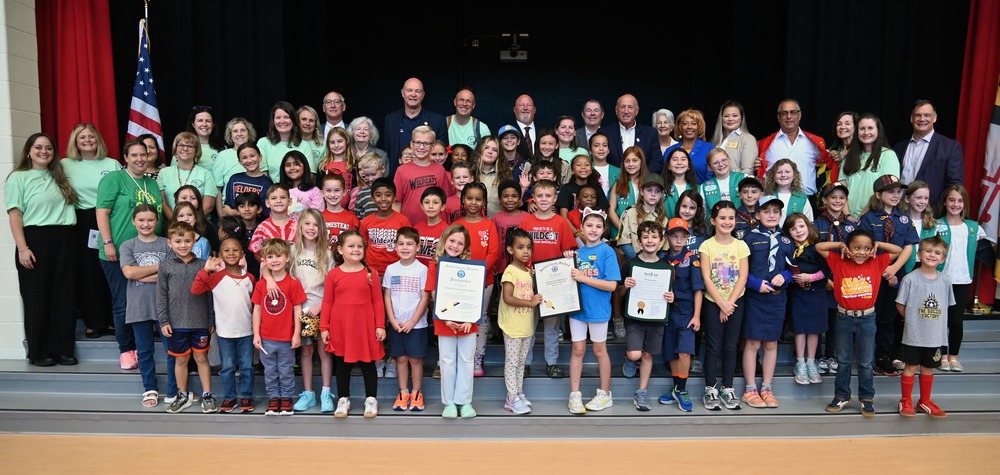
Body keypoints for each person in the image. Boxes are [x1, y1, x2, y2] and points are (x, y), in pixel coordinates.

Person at [7, 132, 80, 366]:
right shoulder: (18, 178)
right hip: (36, 239)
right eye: (38, 147)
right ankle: (39, 351)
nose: (44, 152)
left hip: (65, 238)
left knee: (64, 296)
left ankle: (63, 349)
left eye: (48, 148)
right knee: (38, 297)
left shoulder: (58, 176)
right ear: (29, 151)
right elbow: (15, 215)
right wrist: (22, 248)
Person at [816, 229, 902, 417]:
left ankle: (867, 397)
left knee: (865, 361)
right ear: (848, 248)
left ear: (872, 250)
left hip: (867, 318)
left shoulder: (877, 262)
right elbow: (819, 246)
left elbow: (898, 250)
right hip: (844, 318)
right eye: (856, 247)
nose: (861, 252)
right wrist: (840, 245)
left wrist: (879, 245)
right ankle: (841, 395)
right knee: (844, 361)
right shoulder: (838, 260)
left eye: (866, 248)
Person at [97, 140, 163, 369]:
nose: (140, 159)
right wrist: (108, 243)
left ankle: (143, 345)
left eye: (143, 154)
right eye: (134, 155)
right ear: (125, 157)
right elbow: (102, 212)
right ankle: (126, 349)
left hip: (149, 252)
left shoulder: (152, 184)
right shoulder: (113, 179)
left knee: (148, 299)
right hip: (118, 251)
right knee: (124, 302)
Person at [263, 209, 335, 413]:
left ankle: (326, 393)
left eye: (315, 224)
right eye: (307, 224)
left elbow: (332, 285)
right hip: (297, 309)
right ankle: (308, 393)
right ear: (300, 226)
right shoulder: (292, 250)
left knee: (324, 351)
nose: (311, 228)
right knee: (305, 351)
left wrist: (321, 306)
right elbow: (267, 265)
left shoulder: (327, 253)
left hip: (321, 307)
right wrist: (268, 279)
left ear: (321, 228)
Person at [318, 230, 386, 418]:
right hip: (341, 326)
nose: (356, 250)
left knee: (368, 363)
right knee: (342, 364)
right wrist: (324, 327)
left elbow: (377, 302)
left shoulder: (371, 273)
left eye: (359, 246)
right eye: (351, 246)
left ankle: (371, 399)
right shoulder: (333, 275)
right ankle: (343, 398)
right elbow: (328, 302)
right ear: (340, 249)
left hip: (364, 326)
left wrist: (379, 325)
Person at [61, 123, 118, 339]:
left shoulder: (111, 164)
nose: (87, 140)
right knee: (87, 272)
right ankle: (93, 322)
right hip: (82, 222)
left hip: (108, 219)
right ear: (75, 141)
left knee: (109, 270)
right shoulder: (65, 165)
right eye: (82, 137)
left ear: (98, 140)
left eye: (91, 136)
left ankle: (112, 320)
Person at [858, 175, 918, 376]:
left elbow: (908, 247)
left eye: (898, 192)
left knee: (889, 317)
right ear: (878, 194)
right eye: (890, 191)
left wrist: (894, 270)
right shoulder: (868, 219)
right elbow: (864, 248)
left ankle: (885, 356)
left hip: (896, 273)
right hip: (873, 272)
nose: (895, 195)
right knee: (871, 316)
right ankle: (868, 357)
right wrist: (883, 270)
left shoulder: (904, 218)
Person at [157, 221, 217, 414]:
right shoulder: (165, 267)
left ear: (194, 242)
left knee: (201, 357)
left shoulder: (203, 265)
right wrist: (164, 321)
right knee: (181, 360)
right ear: (170, 243)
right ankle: (182, 395)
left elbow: (209, 295)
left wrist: (210, 319)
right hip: (176, 323)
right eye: (178, 241)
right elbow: (161, 296)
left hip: (200, 321)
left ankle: (207, 395)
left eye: (187, 241)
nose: (183, 245)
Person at [191, 236, 257, 413]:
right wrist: (205, 270)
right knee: (227, 368)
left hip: (247, 331)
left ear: (242, 254)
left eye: (235, 250)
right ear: (219, 255)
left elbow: (255, 305)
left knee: (247, 367)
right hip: (225, 333)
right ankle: (229, 397)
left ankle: (246, 397)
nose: (231, 253)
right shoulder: (215, 277)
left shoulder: (250, 278)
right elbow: (195, 290)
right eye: (226, 250)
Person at [520, 179, 577, 378]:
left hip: (554, 283)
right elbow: (519, 252)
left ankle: (551, 363)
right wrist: (526, 268)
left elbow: (567, 249)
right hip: (529, 279)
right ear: (533, 198)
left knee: (552, 326)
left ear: (555, 199)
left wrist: (569, 255)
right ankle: (524, 363)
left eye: (548, 196)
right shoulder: (526, 221)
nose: (544, 199)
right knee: (528, 324)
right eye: (540, 196)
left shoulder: (560, 222)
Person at [741, 196, 794, 409]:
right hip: (755, 298)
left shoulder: (786, 240)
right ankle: (750, 388)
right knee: (753, 343)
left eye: (775, 212)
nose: (771, 215)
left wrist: (786, 276)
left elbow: (793, 268)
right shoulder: (748, 239)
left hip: (777, 299)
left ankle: (767, 387)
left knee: (771, 343)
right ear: (757, 215)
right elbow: (741, 269)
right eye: (766, 211)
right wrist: (755, 284)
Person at [567, 209, 621, 414]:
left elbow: (612, 286)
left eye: (598, 226)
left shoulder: (607, 251)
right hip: (577, 310)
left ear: (604, 229)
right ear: (581, 228)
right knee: (577, 350)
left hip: (598, 309)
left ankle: (605, 394)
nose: (593, 230)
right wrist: (566, 260)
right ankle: (575, 395)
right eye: (589, 225)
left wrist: (583, 278)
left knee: (600, 350)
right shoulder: (575, 254)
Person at [895, 235, 954, 418]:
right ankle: (906, 400)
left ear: (943, 259)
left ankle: (925, 401)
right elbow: (900, 304)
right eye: (928, 251)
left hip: (935, 336)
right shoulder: (910, 279)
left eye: (937, 253)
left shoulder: (945, 280)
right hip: (914, 334)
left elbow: (946, 306)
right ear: (919, 254)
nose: (932, 255)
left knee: (928, 368)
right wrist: (913, 320)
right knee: (911, 367)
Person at [699, 201, 750, 410]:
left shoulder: (741, 245)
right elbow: (706, 277)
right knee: (713, 346)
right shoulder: (707, 246)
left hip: (736, 303)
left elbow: (743, 277)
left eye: (731, 218)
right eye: (722, 218)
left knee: (730, 346)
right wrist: (721, 303)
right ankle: (710, 388)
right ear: (713, 221)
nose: (727, 222)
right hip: (713, 303)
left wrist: (730, 303)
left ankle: (727, 388)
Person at [424, 224, 478, 418]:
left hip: (468, 321)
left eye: (460, 243)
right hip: (443, 319)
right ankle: (448, 403)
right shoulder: (434, 264)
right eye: (452, 240)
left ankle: (464, 402)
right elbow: (433, 293)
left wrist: (470, 319)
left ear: (466, 247)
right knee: (447, 361)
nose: (455, 246)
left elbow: (474, 295)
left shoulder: (471, 266)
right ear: (444, 240)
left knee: (466, 359)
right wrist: (446, 318)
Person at [120, 205, 169, 406]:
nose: (146, 224)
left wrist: (141, 272)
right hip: (139, 305)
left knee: (172, 350)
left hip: (165, 305)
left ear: (157, 221)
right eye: (141, 220)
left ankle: (175, 389)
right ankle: (150, 389)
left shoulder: (167, 244)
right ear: (133, 222)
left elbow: (171, 276)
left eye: (150, 220)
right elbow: (129, 274)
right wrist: (160, 267)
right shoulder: (127, 245)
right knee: (145, 350)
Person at [622, 221, 674, 411]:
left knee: (647, 354)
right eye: (645, 237)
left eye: (654, 237)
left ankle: (642, 392)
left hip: (656, 318)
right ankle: (628, 356)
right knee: (636, 354)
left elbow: (670, 294)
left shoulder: (666, 268)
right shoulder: (631, 263)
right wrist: (624, 286)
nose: (650, 240)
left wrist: (671, 297)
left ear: (661, 242)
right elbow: (618, 294)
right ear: (639, 240)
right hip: (634, 318)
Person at [935, 184, 987, 372]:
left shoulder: (973, 228)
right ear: (945, 202)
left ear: (964, 203)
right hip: (940, 279)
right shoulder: (936, 225)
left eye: (959, 200)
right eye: (951, 200)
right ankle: (940, 355)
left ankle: (953, 356)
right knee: (939, 319)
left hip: (962, 279)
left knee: (956, 320)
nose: (955, 204)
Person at [251, 238, 306, 416]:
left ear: (287, 258)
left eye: (278, 256)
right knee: (270, 371)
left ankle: (286, 398)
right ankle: (274, 398)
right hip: (266, 338)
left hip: (286, 338)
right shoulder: (261, 285)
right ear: (265, 261)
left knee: (285, 370)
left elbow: (298, 310)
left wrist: (297, 333)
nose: (274, 260)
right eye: (270, 257)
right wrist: (256, 334)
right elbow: (257, 310)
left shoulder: (293, 283)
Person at [453, 182, 501, 376]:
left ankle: (477, 358)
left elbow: (494, 253)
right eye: (469, 198)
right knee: (460, 318)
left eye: (478, 199)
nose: (473, 202)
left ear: (483, 202)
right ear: (463, 200)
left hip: (484, 281)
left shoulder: (489, 225)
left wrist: (478, 273)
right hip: (460, 282)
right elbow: (451, 252)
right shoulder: (457, 226)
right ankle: (461, 356)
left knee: (480, 318)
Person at [659, 218, 705, 411]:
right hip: (667, 312)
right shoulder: (661, 260)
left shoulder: (692, 261)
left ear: (688, 238)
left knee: (685, 351)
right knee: (671, 353)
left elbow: (698, 290)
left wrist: (697, 316)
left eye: (682, 236)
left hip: (686, 312)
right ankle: (677, 388)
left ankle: (682, 389)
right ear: (667, 237)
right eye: (674, 236)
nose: (678, 240)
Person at [383, 227, 430, 412]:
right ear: (395, 247)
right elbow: (387, 296)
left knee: (415, 359)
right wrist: (392, 320)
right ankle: (403, 392)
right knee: (400, 359)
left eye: (409, 244)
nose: (405, 247)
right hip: (397, 324)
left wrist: (412, 321)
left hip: (416, 325)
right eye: (401, 243)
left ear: (417, 247)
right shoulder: (391, 269)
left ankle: (417, 393)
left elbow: (425, 298)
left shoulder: (422, 270)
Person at [813, 181, 857, 375]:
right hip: (822, 279)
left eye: (841, 198)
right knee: (820, 318)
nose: (837, 201)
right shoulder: (817, 224)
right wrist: (824, 279)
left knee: (835, 320)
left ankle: (831, 355)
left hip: (842, 279)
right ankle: (817, 356)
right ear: (824, 200)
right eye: (833, 197)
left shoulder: (851, 226)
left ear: (846, 200)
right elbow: (813, 254)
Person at [499, 228, 541, 414]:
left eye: (529, 248)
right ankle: (511, 397)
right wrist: (530, 302)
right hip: (512, 326)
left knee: (521, 361)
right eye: (520, 247)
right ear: (510, 250)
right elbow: (508, 298)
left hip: (525, 325)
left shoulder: (528, 271)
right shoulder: (510, 271)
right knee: (512, 362)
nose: (526, 251)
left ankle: (518, 392)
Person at [783, 213, 829, 385]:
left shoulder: (818, 247)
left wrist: (810, 278)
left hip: (816, 292)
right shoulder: (788, 248)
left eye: (801, 226)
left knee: (814, 329)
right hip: (797, 294)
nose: (798, 231)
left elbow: (827, 270)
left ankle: (811, 361)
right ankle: (800, 362)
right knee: (800, 328)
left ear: (809, 226)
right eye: (793, 229)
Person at [756, 99, 836, 196]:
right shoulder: (764, 144)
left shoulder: (815, 142)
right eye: (784, 113)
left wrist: (835, 157)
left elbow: (826, 165)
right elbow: (759, 172)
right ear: (778, 117)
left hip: (807, 200)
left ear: (800, 115)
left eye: (793, 112)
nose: (789, 116)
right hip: (774, 202)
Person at [894, 100, 965, 205]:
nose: (922, 119)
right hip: (899, 210)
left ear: (934, 118)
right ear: (911, 119)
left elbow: (954, 185)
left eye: (927, 115)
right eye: (918, 115)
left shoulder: (950, 147)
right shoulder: (898, 147)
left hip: (930, 213)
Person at [384, 78, 448, 179]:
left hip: (427, 178)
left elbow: (441, 153)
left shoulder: (438, 121)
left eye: (417, 91)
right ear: (402, 93)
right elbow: (387, 152)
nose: (413, 94)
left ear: (423, 95)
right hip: (396, 178)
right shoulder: (391, 119)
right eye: (409, 90)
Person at [842, 113, 900, 219]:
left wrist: (862, 216)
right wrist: (847, 216)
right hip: (848, 219)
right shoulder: (848, 157)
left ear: (878, 130)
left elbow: (887, 189)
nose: (866, 132)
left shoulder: (888, 155)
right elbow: (841, 189)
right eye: (862, 128)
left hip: (875, 217)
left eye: (870, 128)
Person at [393, 125, 454, 225]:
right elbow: (397, 202)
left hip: (434, 228)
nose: (421, 147)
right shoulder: (401, 170)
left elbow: (446, 201)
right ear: (411, 144)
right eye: (417, 142)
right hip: (409, 228)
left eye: (426, 143)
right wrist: (398, 226)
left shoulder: (439, 170)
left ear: (433, 146)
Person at [159, 131, 218, 221]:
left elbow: (208, 206)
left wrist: (191, 221)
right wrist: (175, 221)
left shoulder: (206, 174)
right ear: (175, 149)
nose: (185, 149)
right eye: (181, 145)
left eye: (190, 146)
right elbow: (162, 202)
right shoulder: (163, 173)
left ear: (196, 151)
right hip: (171, 224)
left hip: (199, 224)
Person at [361, 178, 412, 278]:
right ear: (372, 198)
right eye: (378, 195)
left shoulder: (403, 221)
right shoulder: (366, 221)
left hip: (397, 271)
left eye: (388, 195)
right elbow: (363, 245)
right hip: (372, 271)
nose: (383, 198)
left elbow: (409, 248)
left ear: (394, 197)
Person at [597, 94, 661, 173]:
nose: (626, 111)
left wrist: (641, 177)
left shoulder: (650, 133)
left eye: (630, 107)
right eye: (622, 107)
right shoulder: (604, 133)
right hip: (613, 181)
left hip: (641, 182)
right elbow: (598, 161)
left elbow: (657, 161)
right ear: (616, 110)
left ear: (636, 111)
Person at [618, 174, 668, 260]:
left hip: (655, 263)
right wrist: (638, 261)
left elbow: (665, 248)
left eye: (657, 191)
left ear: (662, 194)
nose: (653, 194)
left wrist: (654, 261)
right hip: (632, 260)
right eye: (649, 190)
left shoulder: (664, 219)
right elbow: (624, 242)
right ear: (641, 191)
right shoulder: (629, 213)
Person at [214, 117, 258, 210]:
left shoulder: (257, 153)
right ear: (230, 135)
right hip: (230, 210)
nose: (239, 134)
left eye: (243, 130)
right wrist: (221, 214)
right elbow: (217, 189)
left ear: (249, 133)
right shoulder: (223, 156)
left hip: (255, 210)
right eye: (235, 131)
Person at [258, 101, 307, 183]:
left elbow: (309, 175)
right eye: (278, 118)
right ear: (273, 121)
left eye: (286, 117)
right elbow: (263, 174)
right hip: (271, 192)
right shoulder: (263, 143)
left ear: (293, 119)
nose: (282, 121)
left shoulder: (304, 145)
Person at [221, 143, 273, 219]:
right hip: (234, 224)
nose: (249, 160)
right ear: (240, 161)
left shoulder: (267, 182)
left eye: (252, 156)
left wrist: (233, 212)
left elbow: (263, 211)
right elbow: (227, 207)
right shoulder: (234, 179)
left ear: (260, 157)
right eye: (244, 158)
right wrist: (229, 211)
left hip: (255, 227)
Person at [699, 147, 747, 226]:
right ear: (710, 167)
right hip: (716, 230)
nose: (721, 164)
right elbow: (703, 214)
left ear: (729, 160)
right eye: (715, 163)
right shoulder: (703, 187)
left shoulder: (744, 178)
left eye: (724, 160)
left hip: (742, 226)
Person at [249, 184, 297, 261]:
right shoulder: (262, 227)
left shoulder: (298, 226)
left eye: (283, 197)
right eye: (274, 198)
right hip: (270, 271)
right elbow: (257, 253)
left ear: (290, 201)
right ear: (267, 203)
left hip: (294, 270)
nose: (278, 201)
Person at [664, 109, 714, 184]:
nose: (689, 127)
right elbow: (665, 177)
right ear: (680, 127)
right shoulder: (670, 150)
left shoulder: (709, 149)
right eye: (685, 124)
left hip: (703, 193)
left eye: (694, 123)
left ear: (699, 127)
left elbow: (713, 176)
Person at [609, 146, 647, 241]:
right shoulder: (618, 184)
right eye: (627, 161)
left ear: (641, 162)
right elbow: (611, 210)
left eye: (635, 160)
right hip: (621, 233)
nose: (631, 164)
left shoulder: (648, 184)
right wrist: (623, 229)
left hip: (644, 234)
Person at [710, 101, 758, 175]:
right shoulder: (715, 140)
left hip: (735, 184)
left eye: (735, 116)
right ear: (721, 118)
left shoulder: (748, 139)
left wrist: (735, 186)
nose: (730, 119)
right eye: (726, 116)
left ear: (741, 118)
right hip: (715, 184)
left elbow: (747, 171)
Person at [557, 154, 610, 220]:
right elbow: (563, 216)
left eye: (587, 165)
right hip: (571, 228)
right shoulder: (566, 188)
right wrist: (576, 231)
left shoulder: (597, 188)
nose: (583, 167)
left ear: (591, 170)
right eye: (579, 165)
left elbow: (604, 211)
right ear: (572, 170)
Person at [762, 158, 814, 223]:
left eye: (787, 172)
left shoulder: (802, 198)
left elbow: (809, 223)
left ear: (794, 175)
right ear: (773, 176)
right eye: (779, 172)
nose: (783, 175)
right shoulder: (766, 196)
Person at [471, 136, 512, 217]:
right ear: (479, 150)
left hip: (498, 222)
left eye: (495, 150)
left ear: (498, 155)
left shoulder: (504, 174)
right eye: (486, 148)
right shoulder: (469, 173)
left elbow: (512, 199)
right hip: (474, 221)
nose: (490, 152)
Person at [316, 127, 358, 203]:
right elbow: (318, 191)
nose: (336, 145)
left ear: (347, 142)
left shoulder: (354, 164)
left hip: (350, 210)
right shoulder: (322, 166)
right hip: (328, 209)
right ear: (328, 145)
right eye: (332, 142)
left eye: (340, 141)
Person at [320, 172, 360, 249]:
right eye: (328, 190)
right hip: (323, 259)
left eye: (337, 190)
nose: (332, 194)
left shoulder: (352, 218)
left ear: (344, 192)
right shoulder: (318, 217)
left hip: (345, 260)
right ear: (322, 193)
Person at [278, 150, 323, 219]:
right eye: (288, 165)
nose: (292, 168)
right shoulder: (278, 191)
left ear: (304, 166)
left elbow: (316, 218)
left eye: (296, 164)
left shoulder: (314, 191)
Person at [415, 186, 450, 267]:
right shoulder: (416, 228)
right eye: (427, 202)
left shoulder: (447, 231)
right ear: (421, 206)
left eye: (435, 202)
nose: (430, 206)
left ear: (443, 207)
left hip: (435, 274)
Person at [186, 105, 225, 173]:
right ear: (193, 124)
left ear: (213, 124)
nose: (204, 124)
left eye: (208, 121)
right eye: (200, 120)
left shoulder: (222, 148)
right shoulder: (183, 148)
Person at [662, 148, 698, 218]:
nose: (679, 163)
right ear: (668, 166)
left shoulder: (698, 189)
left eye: (683, 159)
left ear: (689, 166)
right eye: (675, 159)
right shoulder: (661, 188)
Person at [351, 152, 386, 221]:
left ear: (383, 169)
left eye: (373, 174)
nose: (370, 179)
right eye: (367, 175)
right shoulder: (362, 193)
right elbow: (357, 216)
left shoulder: (390, 190)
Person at [826, 111, 858, 185]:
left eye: (847, 124)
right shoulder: (833, 149)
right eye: (839, 124)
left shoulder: (862, 150)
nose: (842, 127)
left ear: (856, 127)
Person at [589, 132, 621, 202]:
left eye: (605, 145)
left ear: (608, 149)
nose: (601, 148)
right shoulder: (586, 170)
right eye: (596, 145)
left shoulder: (619, 172)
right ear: (590, 150)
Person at [297, 105, 325, 172]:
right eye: (304, 119)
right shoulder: (290, 143)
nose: (307, 123)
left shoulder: (323, 145)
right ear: (297, 121)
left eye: (311, 120)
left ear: (316, 124)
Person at [513, 94, 539, 159]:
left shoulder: (543, 132)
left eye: (529, 105)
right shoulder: (508, 132)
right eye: (521, 105)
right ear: (515, 110)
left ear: (534, 110)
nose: (525, 108)